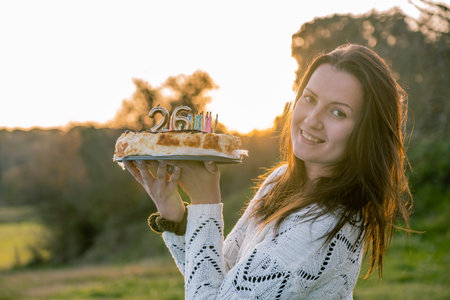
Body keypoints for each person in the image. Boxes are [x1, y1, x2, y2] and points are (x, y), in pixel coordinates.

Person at [124, 44, 411, 299]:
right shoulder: (280, 180)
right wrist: (175, 215)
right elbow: (219, 279)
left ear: (365, 132)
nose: (311, 120)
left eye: (338, 112)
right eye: (309, 99)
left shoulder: (321, 228)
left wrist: (206, 200)